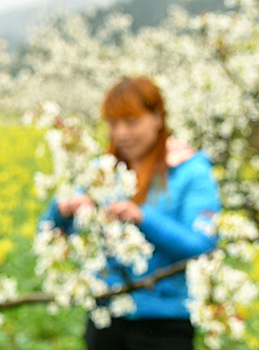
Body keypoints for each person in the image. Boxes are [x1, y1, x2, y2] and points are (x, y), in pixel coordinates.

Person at [39, 77, 221, 350]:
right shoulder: (101, 171)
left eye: (131, 122)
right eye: (113, 123)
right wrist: (63, 209)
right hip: (106, 317)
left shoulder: (190, 170)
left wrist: (141, 217)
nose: (122, 133)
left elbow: (203, 246)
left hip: (165, 322)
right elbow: (47, 233)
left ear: (158, 117)